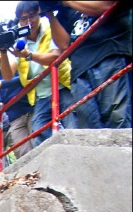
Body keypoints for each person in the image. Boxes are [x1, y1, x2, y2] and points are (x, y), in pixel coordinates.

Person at [0, 0, 77, 147]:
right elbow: (8, 75)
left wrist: (29, 55)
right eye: (23, 19)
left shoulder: (49, 26)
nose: (29, 22)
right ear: (19, 21)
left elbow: (56, 56)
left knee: (73, 124)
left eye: (33, 16)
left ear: (39, 14)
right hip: (41, 94)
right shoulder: (16, 39)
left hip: (62, 85)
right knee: (39, 133)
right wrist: (3, 51)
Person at [46, 0, 132, 129]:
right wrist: (49, 14)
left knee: (117, 118)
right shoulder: (64, 11)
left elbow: (105, 6)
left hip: (109, 54)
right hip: (79, 68)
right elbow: (63, 44)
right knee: (88, 125)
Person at [0, 35, 35, 159]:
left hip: (32, 108)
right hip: (14, 117)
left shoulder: (17, 59)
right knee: (24, 155)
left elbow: (26, 78)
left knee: (40, 143)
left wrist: (2, 83)